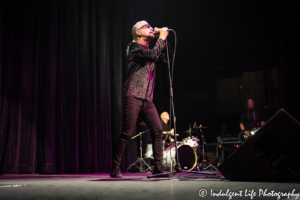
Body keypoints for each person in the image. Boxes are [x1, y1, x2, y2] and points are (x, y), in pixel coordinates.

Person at [110, 20, 169, 178]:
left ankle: (157, 168)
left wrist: (163, 38)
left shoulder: (150, 51)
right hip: (133, 95)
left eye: (151, 27)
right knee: (127, 132)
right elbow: (153, 55)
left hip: (147, 99)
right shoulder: (135, 48)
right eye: (147, 27)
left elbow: (164, 57)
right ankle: (115, 167)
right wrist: (161, 38)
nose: (150, 28)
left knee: (158, 130)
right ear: (138, 32)